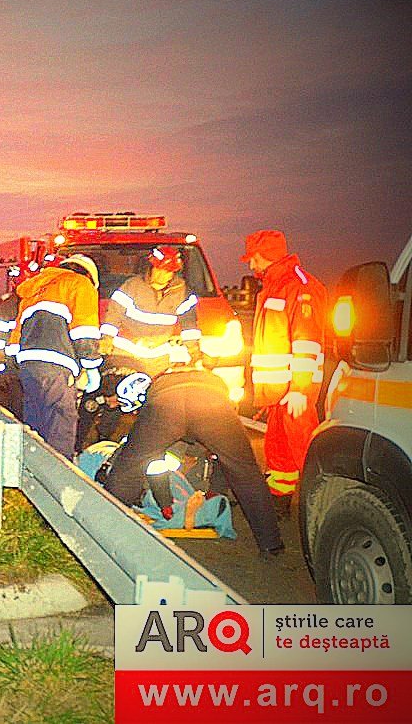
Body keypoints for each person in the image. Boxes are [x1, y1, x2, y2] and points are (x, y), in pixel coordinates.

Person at [102, 368, 284, 556]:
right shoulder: (208, 382)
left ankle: (103, 528)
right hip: (212, 402)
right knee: (245, 471)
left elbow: (151, 464)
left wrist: (164, 501)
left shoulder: (154, 394)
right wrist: (215, 491)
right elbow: (225, 461)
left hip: (166, 404)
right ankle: (271, 543)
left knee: (128, 470)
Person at [240, 230, 328, 503]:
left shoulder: (299, 286)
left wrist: (300, 389)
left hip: (294, 391)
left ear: (264, 256)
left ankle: (325, 503)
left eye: (253, 259)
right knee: (279, 451)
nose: (251, 266)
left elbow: (307, 341)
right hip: (280, 390)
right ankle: (279, 500)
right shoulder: (274, 285)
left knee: (304, 449)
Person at [6, 254, 102, 455]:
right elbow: (84, 332)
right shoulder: (80, 284)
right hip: (57, 366)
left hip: (28, 366)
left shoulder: (36, 290)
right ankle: (60, 480)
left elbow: (16, 336)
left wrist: (18, 364)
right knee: (61, 422)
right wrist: (91, 367)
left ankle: (32, 470)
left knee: (35, 422)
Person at [100, 245, 202, 376]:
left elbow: (189, 326)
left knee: (157, 391)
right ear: (151, 267)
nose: (161, 274)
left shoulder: (182, 294)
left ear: (173, 273)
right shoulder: (131, 287)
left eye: (167, 271)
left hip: (159, 357)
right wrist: (106, 339)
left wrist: (194, 352)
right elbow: (113, 315)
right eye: (158, 269)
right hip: (126, 355)